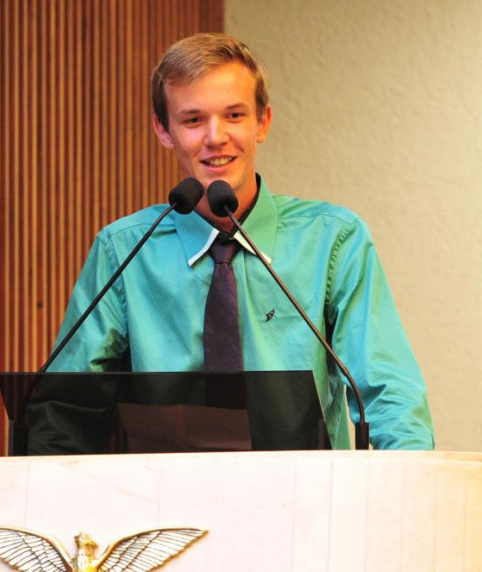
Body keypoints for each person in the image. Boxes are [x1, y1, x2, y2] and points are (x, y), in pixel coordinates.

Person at [33, 33, 434, 451]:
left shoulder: (334, 239)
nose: (215, 137)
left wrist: (409, 494)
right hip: (166, 507)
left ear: (263, 122)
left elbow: (390, 396)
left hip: (308, 504)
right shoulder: (124, 250)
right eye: (192, 120)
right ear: (163, 130)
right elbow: (65, 410)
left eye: (234, 115)